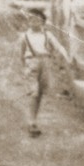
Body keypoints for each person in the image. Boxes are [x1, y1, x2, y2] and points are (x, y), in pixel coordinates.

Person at [19, 9, 53, 137]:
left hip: (45, 62)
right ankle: (31, 122)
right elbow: (21, 54)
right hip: (31, 62)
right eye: (32, 19)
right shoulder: (25, 36)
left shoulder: (47, 35)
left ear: (43, 22)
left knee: (40, 93)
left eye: (38, 19)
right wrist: (24, 68)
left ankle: (33, 119)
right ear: (28, 22)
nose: (34, 22)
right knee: (34, 92)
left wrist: (66, 57)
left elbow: (57, 46)